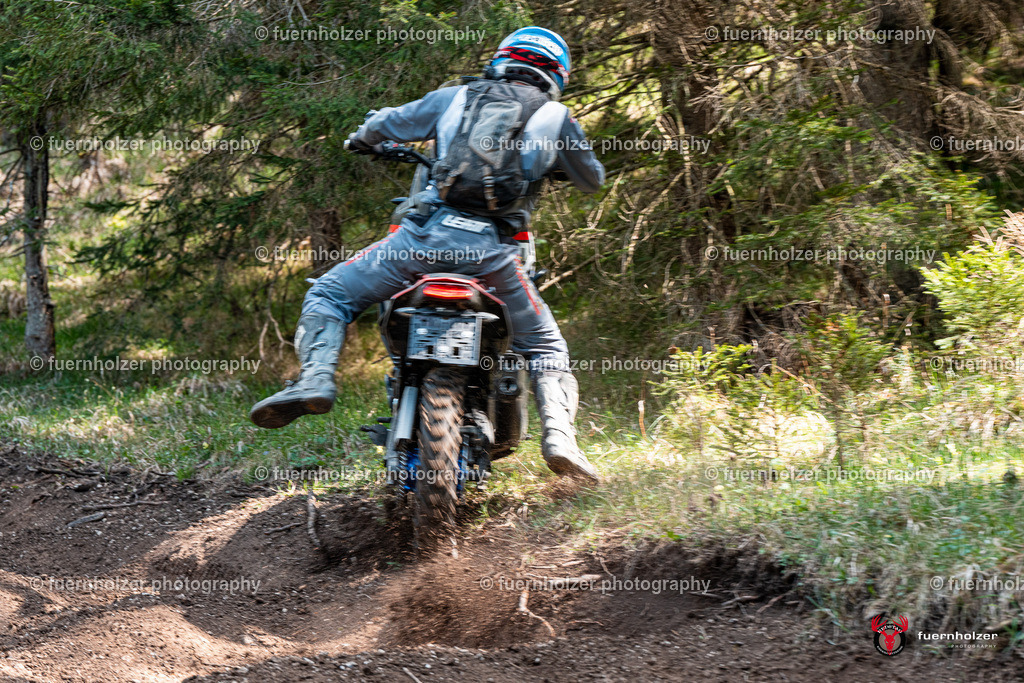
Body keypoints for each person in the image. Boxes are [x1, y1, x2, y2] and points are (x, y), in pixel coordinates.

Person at [249, 27, 605, 482]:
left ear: (501, 59)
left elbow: (384, 124)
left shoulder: (455, 97)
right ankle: (559, 440)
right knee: (545, 345)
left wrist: (362, 137)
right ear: (556, 74)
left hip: (419, 244)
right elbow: (592, 178)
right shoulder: (557, 116)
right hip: (495, 258)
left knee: (330, 293)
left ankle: (316, 380)